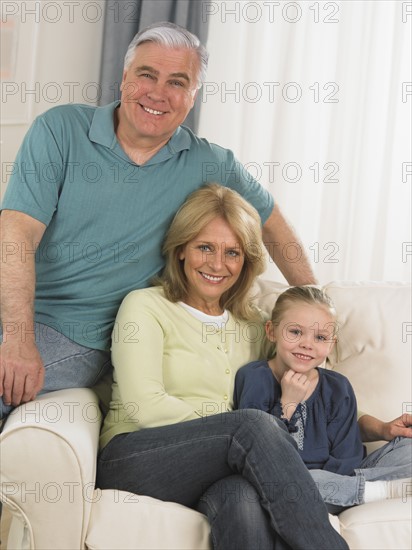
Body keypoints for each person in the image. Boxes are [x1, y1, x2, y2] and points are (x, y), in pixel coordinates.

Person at [0, 21, 316, 419]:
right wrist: (16, 336)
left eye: (177, 82)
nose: (158, 93)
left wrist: (315, 306)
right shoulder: (60, 130)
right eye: (147, 75)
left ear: (193, 96)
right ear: (124, 79)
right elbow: (16, 232)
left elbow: (273, 224)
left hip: (77, 335)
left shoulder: (207, 162)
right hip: (15, 316)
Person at [96, 184, 348, 550]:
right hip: (135, 457)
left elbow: (311, 386)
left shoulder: (254, 325)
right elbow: (144, 405)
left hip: (221, 465)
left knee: (241, 500)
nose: (217, 264)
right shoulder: (146, 307)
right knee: (252, 425)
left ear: (245, 261)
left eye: (232, 252)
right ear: (181, 249)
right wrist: (236, 429)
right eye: (204, 247)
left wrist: (373, 425)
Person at [234, 286, 412, 511]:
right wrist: (287, 404)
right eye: (295, 332)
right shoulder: (254, 377)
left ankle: (361, 491)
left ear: (331, 344)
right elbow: (257, 451)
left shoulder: (338, 387)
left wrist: (339, 485)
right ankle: (380, 490)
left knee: (408, 446)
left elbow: (348, 456)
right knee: (297, 480)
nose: (307, 344)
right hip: (285, 481)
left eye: (320, 337)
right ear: (271, 331)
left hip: (338, 479)